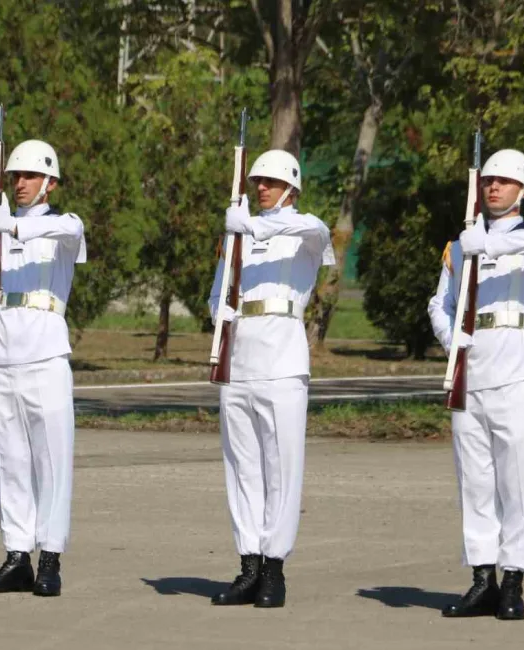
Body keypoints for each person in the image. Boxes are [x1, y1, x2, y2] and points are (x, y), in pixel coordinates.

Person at [427, 149, 524, 621]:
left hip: (515, 369)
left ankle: (513, 581)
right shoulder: (460, 245)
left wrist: (488, 245)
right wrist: (454, 341)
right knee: (476, 480)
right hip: (470, 368)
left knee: (518, 480)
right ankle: (482, 578)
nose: (494, 188)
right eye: (488, 181)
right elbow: (438, 305)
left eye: (504, 182)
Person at [206, 149, 335, 608]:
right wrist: (219, 312)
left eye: (271, 182)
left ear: (292, 190)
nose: (261, 188)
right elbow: (218, 291)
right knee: (242, 467)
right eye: (257, 181)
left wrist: (250, 227)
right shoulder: (238, 234)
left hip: (282, 356)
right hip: (240, 355)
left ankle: (275, 569)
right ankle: (249, 564)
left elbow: (317, 230)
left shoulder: (304, 232)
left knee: (281, 467)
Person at [0, 139, 86, 597]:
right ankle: (17, 554)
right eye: (15, 177)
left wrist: (13, 231)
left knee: (51, 460)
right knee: (10, 459)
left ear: (50, 183)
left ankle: (50, 558)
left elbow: (70, 232)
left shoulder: (62, 227)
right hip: (4, 355)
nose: (19, 184)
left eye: (29, 176)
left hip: (45, 354)